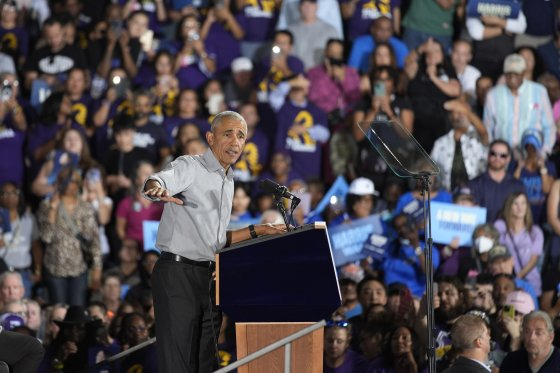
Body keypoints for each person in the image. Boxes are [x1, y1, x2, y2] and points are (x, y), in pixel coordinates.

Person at [143, 111, 285, 372]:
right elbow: (158, 180)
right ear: (210, 137)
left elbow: (215, 239)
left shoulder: (227, 179)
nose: (235, 141)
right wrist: (156, 188)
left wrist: (261, 230)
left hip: (208, 280)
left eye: (241, 136)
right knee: (178, 364)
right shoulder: (190, 166)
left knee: (204, 363)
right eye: (228, 133)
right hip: (178, 275)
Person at [483, 54, 555, 154]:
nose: (512, 77)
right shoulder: (493, 95)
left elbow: (549, 126)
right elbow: (488, 127)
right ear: (504, 73)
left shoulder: (539, 91)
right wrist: (493, 153)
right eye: (509, 73)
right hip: (503, 156)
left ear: (523, 73)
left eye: (516, 73)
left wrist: (544, 152)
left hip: (532, 155)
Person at [467, 140, 526, 222]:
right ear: (488, 156)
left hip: (509, 233)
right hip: (482, 232)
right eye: (493, 154)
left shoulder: (517, 186)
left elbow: (524, 216)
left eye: (503, 155)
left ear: (508, 159)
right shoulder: (474, 184)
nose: (497, 158)